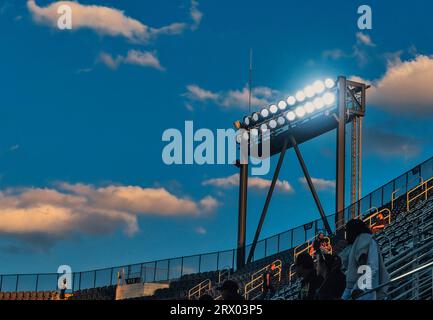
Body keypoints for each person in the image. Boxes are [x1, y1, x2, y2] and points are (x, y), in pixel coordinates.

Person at [339, 219, 389, 300]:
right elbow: (351, 281)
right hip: (357, 290)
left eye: (348, 231)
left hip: (365, 291)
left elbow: (370, 266)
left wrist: (360, 287)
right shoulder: (355, 244)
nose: (347, 234)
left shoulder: (365, 239)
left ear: (354, 230)